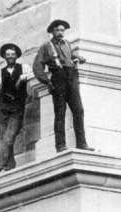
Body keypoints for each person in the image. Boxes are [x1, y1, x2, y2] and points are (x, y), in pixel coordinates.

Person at [32, 20, 93, 153]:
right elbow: (37, 66)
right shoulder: (46, 47)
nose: (60, 33)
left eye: (62, 30)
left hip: (71, 77)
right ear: (52, 32)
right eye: (58, 30)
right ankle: (60, 145)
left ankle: (82, 143)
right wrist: (47, 82)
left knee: (79, 110)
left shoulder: (67, 44)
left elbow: (69, 56)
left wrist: (79, 57)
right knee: (60, 113)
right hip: (58, 79)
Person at [0, 43, 29, 174]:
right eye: (8, 55)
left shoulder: (24, 68)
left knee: (9, 136)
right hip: (2, 109)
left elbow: (32, 77)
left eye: (13, 54)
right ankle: (10, 164)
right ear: (4, 57)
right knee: (4, 138)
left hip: (17, 109)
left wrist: (24, 78)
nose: (11, 57)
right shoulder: (0, 74)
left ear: (17, 55)